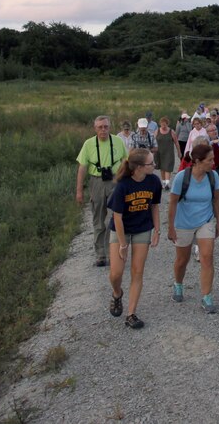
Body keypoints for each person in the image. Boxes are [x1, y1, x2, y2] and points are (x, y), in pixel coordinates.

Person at [107, 148, 161, 329]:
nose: (154, 165)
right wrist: (122, 244)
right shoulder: (123, 185)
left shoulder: (154, 181)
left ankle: (131, 314)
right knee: (116, 273)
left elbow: (154, 206)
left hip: (142, 229)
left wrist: (157, 230)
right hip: (121, 230)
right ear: (138, 167)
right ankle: (117, 293)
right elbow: (117, 217)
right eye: (151, 163)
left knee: (137, 271)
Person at [167, 141, 219, 314]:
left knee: (207, 257)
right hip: (184, 222)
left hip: (205, 220)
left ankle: (206, 296)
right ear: (197, 160)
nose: (213, 163)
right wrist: (171, 227)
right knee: (182, 260)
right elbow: (173, 203)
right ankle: (178, 284)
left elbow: (216, 200)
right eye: (210, 160)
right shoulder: (182, 177)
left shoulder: (214, 176)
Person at [75, 116, 129, 267]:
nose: (103, 130)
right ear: (95, 128)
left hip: (115, 180)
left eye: (105, 126)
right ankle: (100, 254)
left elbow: (126, 160)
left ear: (109, 127)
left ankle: (116, 251)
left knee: (116, 217)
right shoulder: (89, 144)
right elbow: (82, 167)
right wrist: (79, 190)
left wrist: (126, 180)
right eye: (100, 127)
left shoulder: (118, 141)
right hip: (96, 182)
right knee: (99, 220)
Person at [154, 116, 177, 189]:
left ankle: (167, 183)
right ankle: (163, 183)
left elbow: (176, 143)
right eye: (162, 124)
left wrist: (179, 152)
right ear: (160, 124)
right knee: (162, 168)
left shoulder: (171, 131)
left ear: (167, 124)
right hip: (159, 152)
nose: (163, 126)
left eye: (165, 124)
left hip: (169, 152)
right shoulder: (157, 131)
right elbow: (153, 142)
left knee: (168, 167)